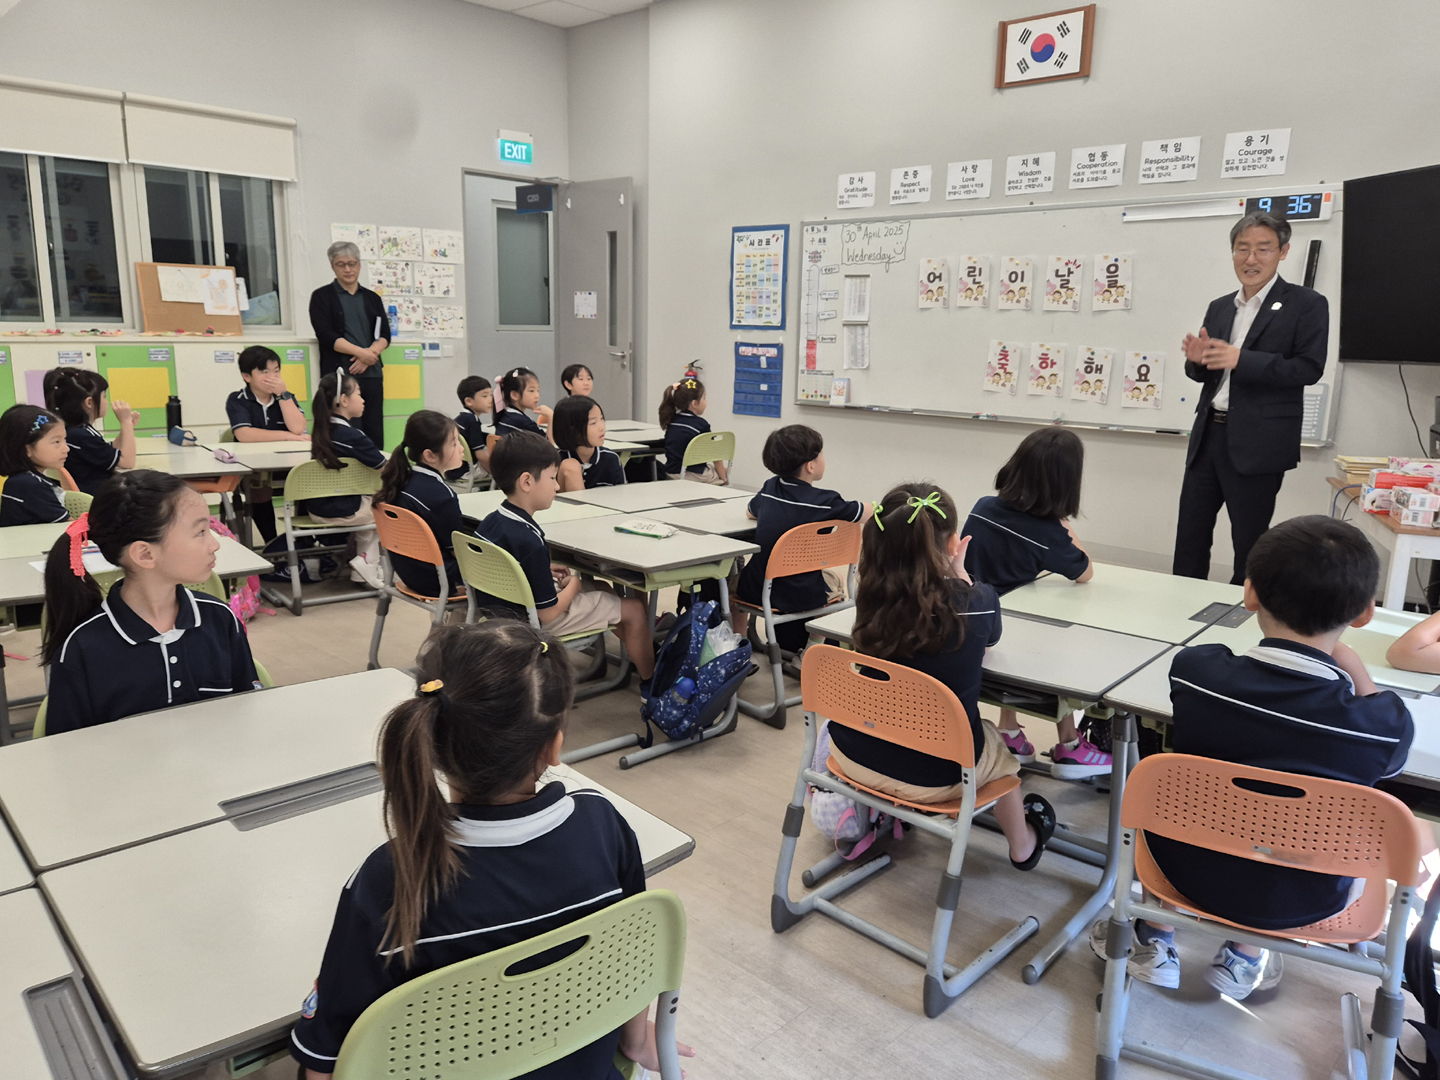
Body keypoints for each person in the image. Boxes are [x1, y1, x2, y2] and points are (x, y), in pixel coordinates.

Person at [289, 621, 693, 1079]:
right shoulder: (603, 826)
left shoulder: (390, 878)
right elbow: (633, 949)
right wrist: (636, 1041)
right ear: (554, 747)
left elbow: (328, 1054)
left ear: (432, 742)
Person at [1091, 516, 1413, 998]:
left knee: (1194, 804)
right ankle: (1245, 956)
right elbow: (1393, 758)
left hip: (1184, 869)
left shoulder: (1197, 672)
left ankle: (1155, 935)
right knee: (1280, 836)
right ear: (1366, 612)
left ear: (1250, 594)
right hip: (1308, 896)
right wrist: (1355, 669)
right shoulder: (1378, 724)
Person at [834, 483, 1054, 870]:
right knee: (996, 746)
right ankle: (1023, 845)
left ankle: (880, 814)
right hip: (935, 776)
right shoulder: (976, 602)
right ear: (954, 543)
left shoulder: (869, 598)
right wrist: (961, 575)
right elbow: (990, 640)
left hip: (853, 754)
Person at [41, 470, 260, 734]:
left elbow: (248, 710)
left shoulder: (220, 618)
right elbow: (66, 749)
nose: (215, 544)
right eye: (200, 532)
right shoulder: (82, 648)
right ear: (145, 554)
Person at [1173, 211, 1328, 584]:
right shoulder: (1220, 306)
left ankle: (1246, 608)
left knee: (1250, 543)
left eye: (1263, 249)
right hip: (1209, 435)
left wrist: (1242, 359)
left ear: (1283, 252)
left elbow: (1308, 368)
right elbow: (1206, 374)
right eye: (1242, 248)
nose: (1251, 258)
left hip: (1260, 442)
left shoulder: (1306, 303)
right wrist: (1197, 361)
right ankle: (1180, 601)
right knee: (1190, 535)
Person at [961, 428, 1111, 780]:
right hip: (1017, 642)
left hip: (975, 622)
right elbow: (1085, 572)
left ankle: (1009, 731)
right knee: (1060, 637)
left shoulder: (983, 507)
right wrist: (1061, 523)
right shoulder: (1048, 535)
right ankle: (1070, 743)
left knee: (1016, 611)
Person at [471, 432, 656, 688]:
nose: (557, 486)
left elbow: (507, 563)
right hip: (530, 624)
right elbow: (548, 613)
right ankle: (652, 685)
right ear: (526, 481)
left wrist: (539, 568)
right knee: (634, 609)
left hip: (499, 612)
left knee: (603, 588)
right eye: (551, 478)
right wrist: (575, 585)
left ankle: (639, 652)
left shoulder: (491, 522)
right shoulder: (529, 539)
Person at [735, 424, 866, 651]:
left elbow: (750, 512)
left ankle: (739, 646)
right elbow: (866, 513)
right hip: (807, 594)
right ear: (810, 466)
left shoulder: (769, 488)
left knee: (730, 586)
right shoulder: (827, 502)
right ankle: (812, 646)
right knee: (835, 582)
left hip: (757, 589)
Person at [306, 371, 386, 589]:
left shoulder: (323, 431)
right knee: (392, 506)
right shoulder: (352, 437)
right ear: (343, 400)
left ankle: (363, 571)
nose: (363, 399)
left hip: (317, 508)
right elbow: (387, 470)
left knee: (371, 507)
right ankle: (367, 562)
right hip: (342, 510)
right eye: (358, 393)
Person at [375, 410, 464, 599]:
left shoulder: (402, 480)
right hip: (439, 580)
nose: (461, 449)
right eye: (454, 443)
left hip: (410, 572)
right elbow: (458, 552)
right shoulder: (442, 497)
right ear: (430, 456)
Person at [309, 241, 389, 449]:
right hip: (340, 377)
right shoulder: (321, 297)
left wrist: (369, 356)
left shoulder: (372, 298)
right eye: (341, 264)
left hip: (372, 374)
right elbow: (326, 334)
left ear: (359, 265)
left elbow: (384, 334)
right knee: (346, 434)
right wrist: (362, 353)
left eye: (352, 264)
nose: (347, 269)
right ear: (333, 266)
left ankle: (376, 470)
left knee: (374, 432)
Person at [226, 345, 308, 543]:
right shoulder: (238, 399)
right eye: (265, 372)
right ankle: (273, 543)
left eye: (276, 371)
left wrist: (283, 396)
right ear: (247, 377)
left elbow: (298, 428)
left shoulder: (286, 397)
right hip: (254, 467)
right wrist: (286, 436)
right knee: (259, 486)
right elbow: (244, 434)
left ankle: (304, 541)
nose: (273, 377)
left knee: (309, 479)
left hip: (287, 463)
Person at [48, 368, 136, 495]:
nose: (106, 402)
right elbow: (127, 462)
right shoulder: (81, 435)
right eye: (104, 397)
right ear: (89, 402)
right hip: (99, 496)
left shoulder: (74, 430)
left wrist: (128, 428)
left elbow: (109, 450)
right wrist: (126, 422)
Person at [0, 405, 70, 526]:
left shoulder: (24, 480)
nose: (66, 449)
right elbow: (67, 526)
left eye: (64, 440)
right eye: (56, 442)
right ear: (27, 450)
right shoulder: (29, 484)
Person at [659, 377, 726, 484]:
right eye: (704, 398)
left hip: (672, 473)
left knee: (710, 468)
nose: (706, 402)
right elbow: (715, 455)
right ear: (694, 403)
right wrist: (724, 478)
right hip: (695, 475)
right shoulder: (701, 425)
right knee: (719, 472)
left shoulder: (672, 421)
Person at [553, 395, 624, 491]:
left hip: (604, 501)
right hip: (566, 500)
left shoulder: (611, 459)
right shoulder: (556, 460)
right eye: (593, 423)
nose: (601, 427)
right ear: (573, 429)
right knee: (570, 465)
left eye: (602, 419)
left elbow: (621, 494)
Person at [450, 375, 493, 487]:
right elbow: (480, 455)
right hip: (466, 471)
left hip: (452, 470)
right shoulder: (472, 422)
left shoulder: (461, 419)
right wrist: (496, 473)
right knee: (506, 470)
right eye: (485, 396)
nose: (490, 400)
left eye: (491, 395)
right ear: (469, 401)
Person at [493, 367, 553, 440]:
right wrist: (551, 416)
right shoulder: (522, 422)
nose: (537, 395)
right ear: (515, 395)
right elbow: (548, 443)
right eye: (531, 391)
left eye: (538, 390)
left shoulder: (505, 415)